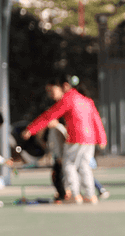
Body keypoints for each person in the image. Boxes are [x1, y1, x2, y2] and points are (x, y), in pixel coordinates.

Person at [20, 74, 107, 204]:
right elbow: (96, 120)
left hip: (75, 138)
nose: (50, 95)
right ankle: (90, 195)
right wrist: (102, 139)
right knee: (84, 166)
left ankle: (74, 194)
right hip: (89, 139)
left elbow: (48, 116)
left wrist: (31, 129)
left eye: (52, 90)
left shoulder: (68, 99)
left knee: (69, 165)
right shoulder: (86, 100)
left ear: (64, 86)